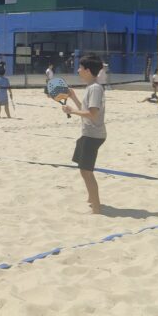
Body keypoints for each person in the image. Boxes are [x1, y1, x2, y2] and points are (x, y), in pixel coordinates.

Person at [62, 54, 106, 215]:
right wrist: (73, 98)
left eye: (80, 68)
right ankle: (91, 199)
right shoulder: (91, 87)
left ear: (88, 70)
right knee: (84, 170)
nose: (78, 70)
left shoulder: (95, 88)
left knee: (86, 172)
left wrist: (72, 111)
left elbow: (92, 114)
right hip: (89, 133)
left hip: (93, 135)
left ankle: (96, 207)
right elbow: (86, 109)